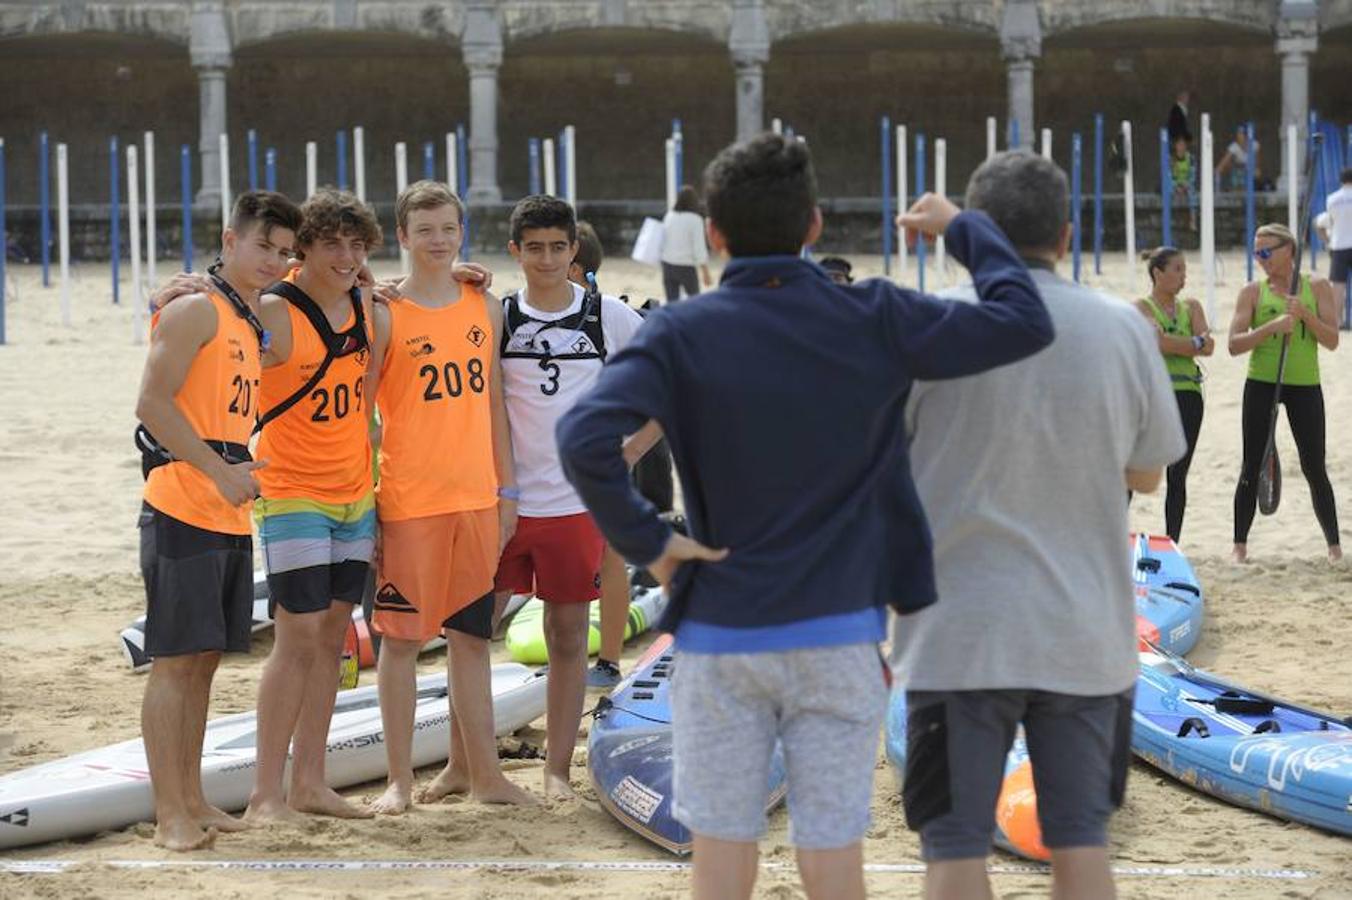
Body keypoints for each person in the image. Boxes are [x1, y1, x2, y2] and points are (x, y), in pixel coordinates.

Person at [556, 133, 1054, 900]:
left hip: (720, 633)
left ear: (714, 236)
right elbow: (1023, 319)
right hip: (838, 631)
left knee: (720, 865)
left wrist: (652, 542)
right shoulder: (874, 312)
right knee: (832, 864)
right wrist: (962, 224)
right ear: (815, 225)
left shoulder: (681, 330)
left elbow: (582, 438)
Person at [893, 151, 1186, 900]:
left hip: (959, 625)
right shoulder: (1122, 327)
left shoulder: (929, 325)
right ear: (1067, 232)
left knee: (955, 848)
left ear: (971, 229)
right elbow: (1148, 473)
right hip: (1083, 624)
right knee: (1081, 845)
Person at [134, 191, 301, 850]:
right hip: (182, 499)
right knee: (174, 663)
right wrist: (219, 471)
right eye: (265, 246)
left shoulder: (248, 320)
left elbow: (303, 325)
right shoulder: (196, 308)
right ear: (230, 240)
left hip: (228, 505)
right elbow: (152, 404)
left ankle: (194, 798)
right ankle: (167, 812)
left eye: (286, 252)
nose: (276, 261)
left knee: (203, 661)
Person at [366, 181, 533, 814]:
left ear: (462, 233)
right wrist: (371, 500)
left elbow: (493, 405)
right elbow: (364, 418)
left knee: (470, 640)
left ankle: (484, 776)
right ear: (403, 237)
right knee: (402, 644)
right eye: (426, 230)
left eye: (449, 229)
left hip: (476, 499)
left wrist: (507, 490)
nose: (439, 241)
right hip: (410, 503)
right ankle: (399, 781)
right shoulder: (383, 313)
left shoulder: (483, 305)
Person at [494, 195, 646, 796]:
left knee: (564, 635)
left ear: (573, 250)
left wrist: (631, 450)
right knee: (470, 633)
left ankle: (557, 769)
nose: (548, 258)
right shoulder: (496, 315)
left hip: (575, 507)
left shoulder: (608, 316)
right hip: (505, 502)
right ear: (516, 252)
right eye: (535, 248)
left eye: (558, 247)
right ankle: (469, 763)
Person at [243, 188, 382, 822]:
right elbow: (219, 323)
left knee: (333, 639)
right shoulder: (274, 309)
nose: (347, 257)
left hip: (355, 493)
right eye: (333, 244)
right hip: (291, 491)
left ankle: (312, 783)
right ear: (305, 249)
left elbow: (414, 294)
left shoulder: (366, 305)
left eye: (357, 246)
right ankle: (265, 792)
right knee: (294, 638)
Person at [1228, 223, 1342, 563]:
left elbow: (1332, 340)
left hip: (1305, 384)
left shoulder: (1317, 286)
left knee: (1313, 465)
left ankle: (1334, 547)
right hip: (1262, 382)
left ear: (1288, 250)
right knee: (1251, 464)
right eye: (1256, 252)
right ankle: (1239, 546)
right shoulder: (1252, 291)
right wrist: (1273, 327)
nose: (1259, 258)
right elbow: (1234, 345)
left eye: (1266, 251)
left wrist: (1304, 315)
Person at [1134, 247, 1214, 542]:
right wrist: (1193, 341)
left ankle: (1172, 541)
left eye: (1185, 269)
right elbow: (1159, 344)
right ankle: (1116, 539)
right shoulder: (1141, 307)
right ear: (1158, 273)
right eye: (1177, 269)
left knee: (1178, 474)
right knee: (1137, 466)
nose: (1184, 276)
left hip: (1189, 394)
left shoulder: (1191, 306)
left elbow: (1209, 347)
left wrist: (1181, 342)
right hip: (1154, 394)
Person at [660, 184, 712, 301]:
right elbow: (699, 248)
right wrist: (705, 272)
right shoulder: (695, 219)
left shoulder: (669, 216)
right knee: (694, 301)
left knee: (672, 302)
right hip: (686, 266)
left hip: (668, 264)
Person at [1325, 167, 1352, 328]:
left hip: (1339, 244)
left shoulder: (1332, 199)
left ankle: (1337, 320)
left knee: (1338, 285)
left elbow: (1330, 222)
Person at [1216, 126, 1262, 191]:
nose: (1239, 136)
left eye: (1241, 134)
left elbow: (1257, 159)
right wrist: (1219, 168)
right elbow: (1225, 159)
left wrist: (1257, 168)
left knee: (1253, 181)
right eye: (1238, 134)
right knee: (1237, 186)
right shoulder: (1234, 146)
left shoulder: (1254, 144)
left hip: (1250, 168)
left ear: (1246, 136)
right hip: (1238, 169)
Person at [1170, 137, 1198, 231]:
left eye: (1183, 145)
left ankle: (1192, 221)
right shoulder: (1171, 159)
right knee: (1169, 193)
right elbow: (1169, 176)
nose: (1181, 147)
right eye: (1179, 145)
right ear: (1176, 146)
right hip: (1175, 185)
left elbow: (1193, 175)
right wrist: (1176, 186)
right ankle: (1171, 220)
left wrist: (1186, 185)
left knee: (1192, 195)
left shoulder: (1191, 158)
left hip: (1187, 184)